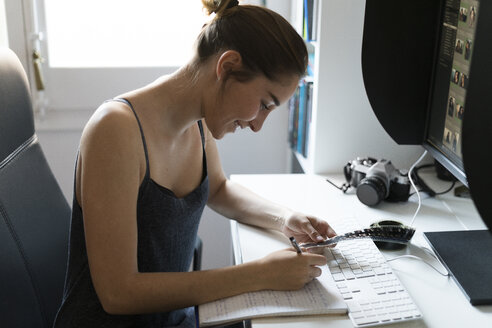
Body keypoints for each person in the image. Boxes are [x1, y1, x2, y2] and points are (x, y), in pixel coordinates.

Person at [53, 0, 336, 327]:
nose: (258, 125)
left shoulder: (199, 123)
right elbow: (118, 293)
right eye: (263, 104)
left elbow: (218, 189)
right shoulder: (115, 131)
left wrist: (286, 218)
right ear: (227, 66)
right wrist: (258, 274)